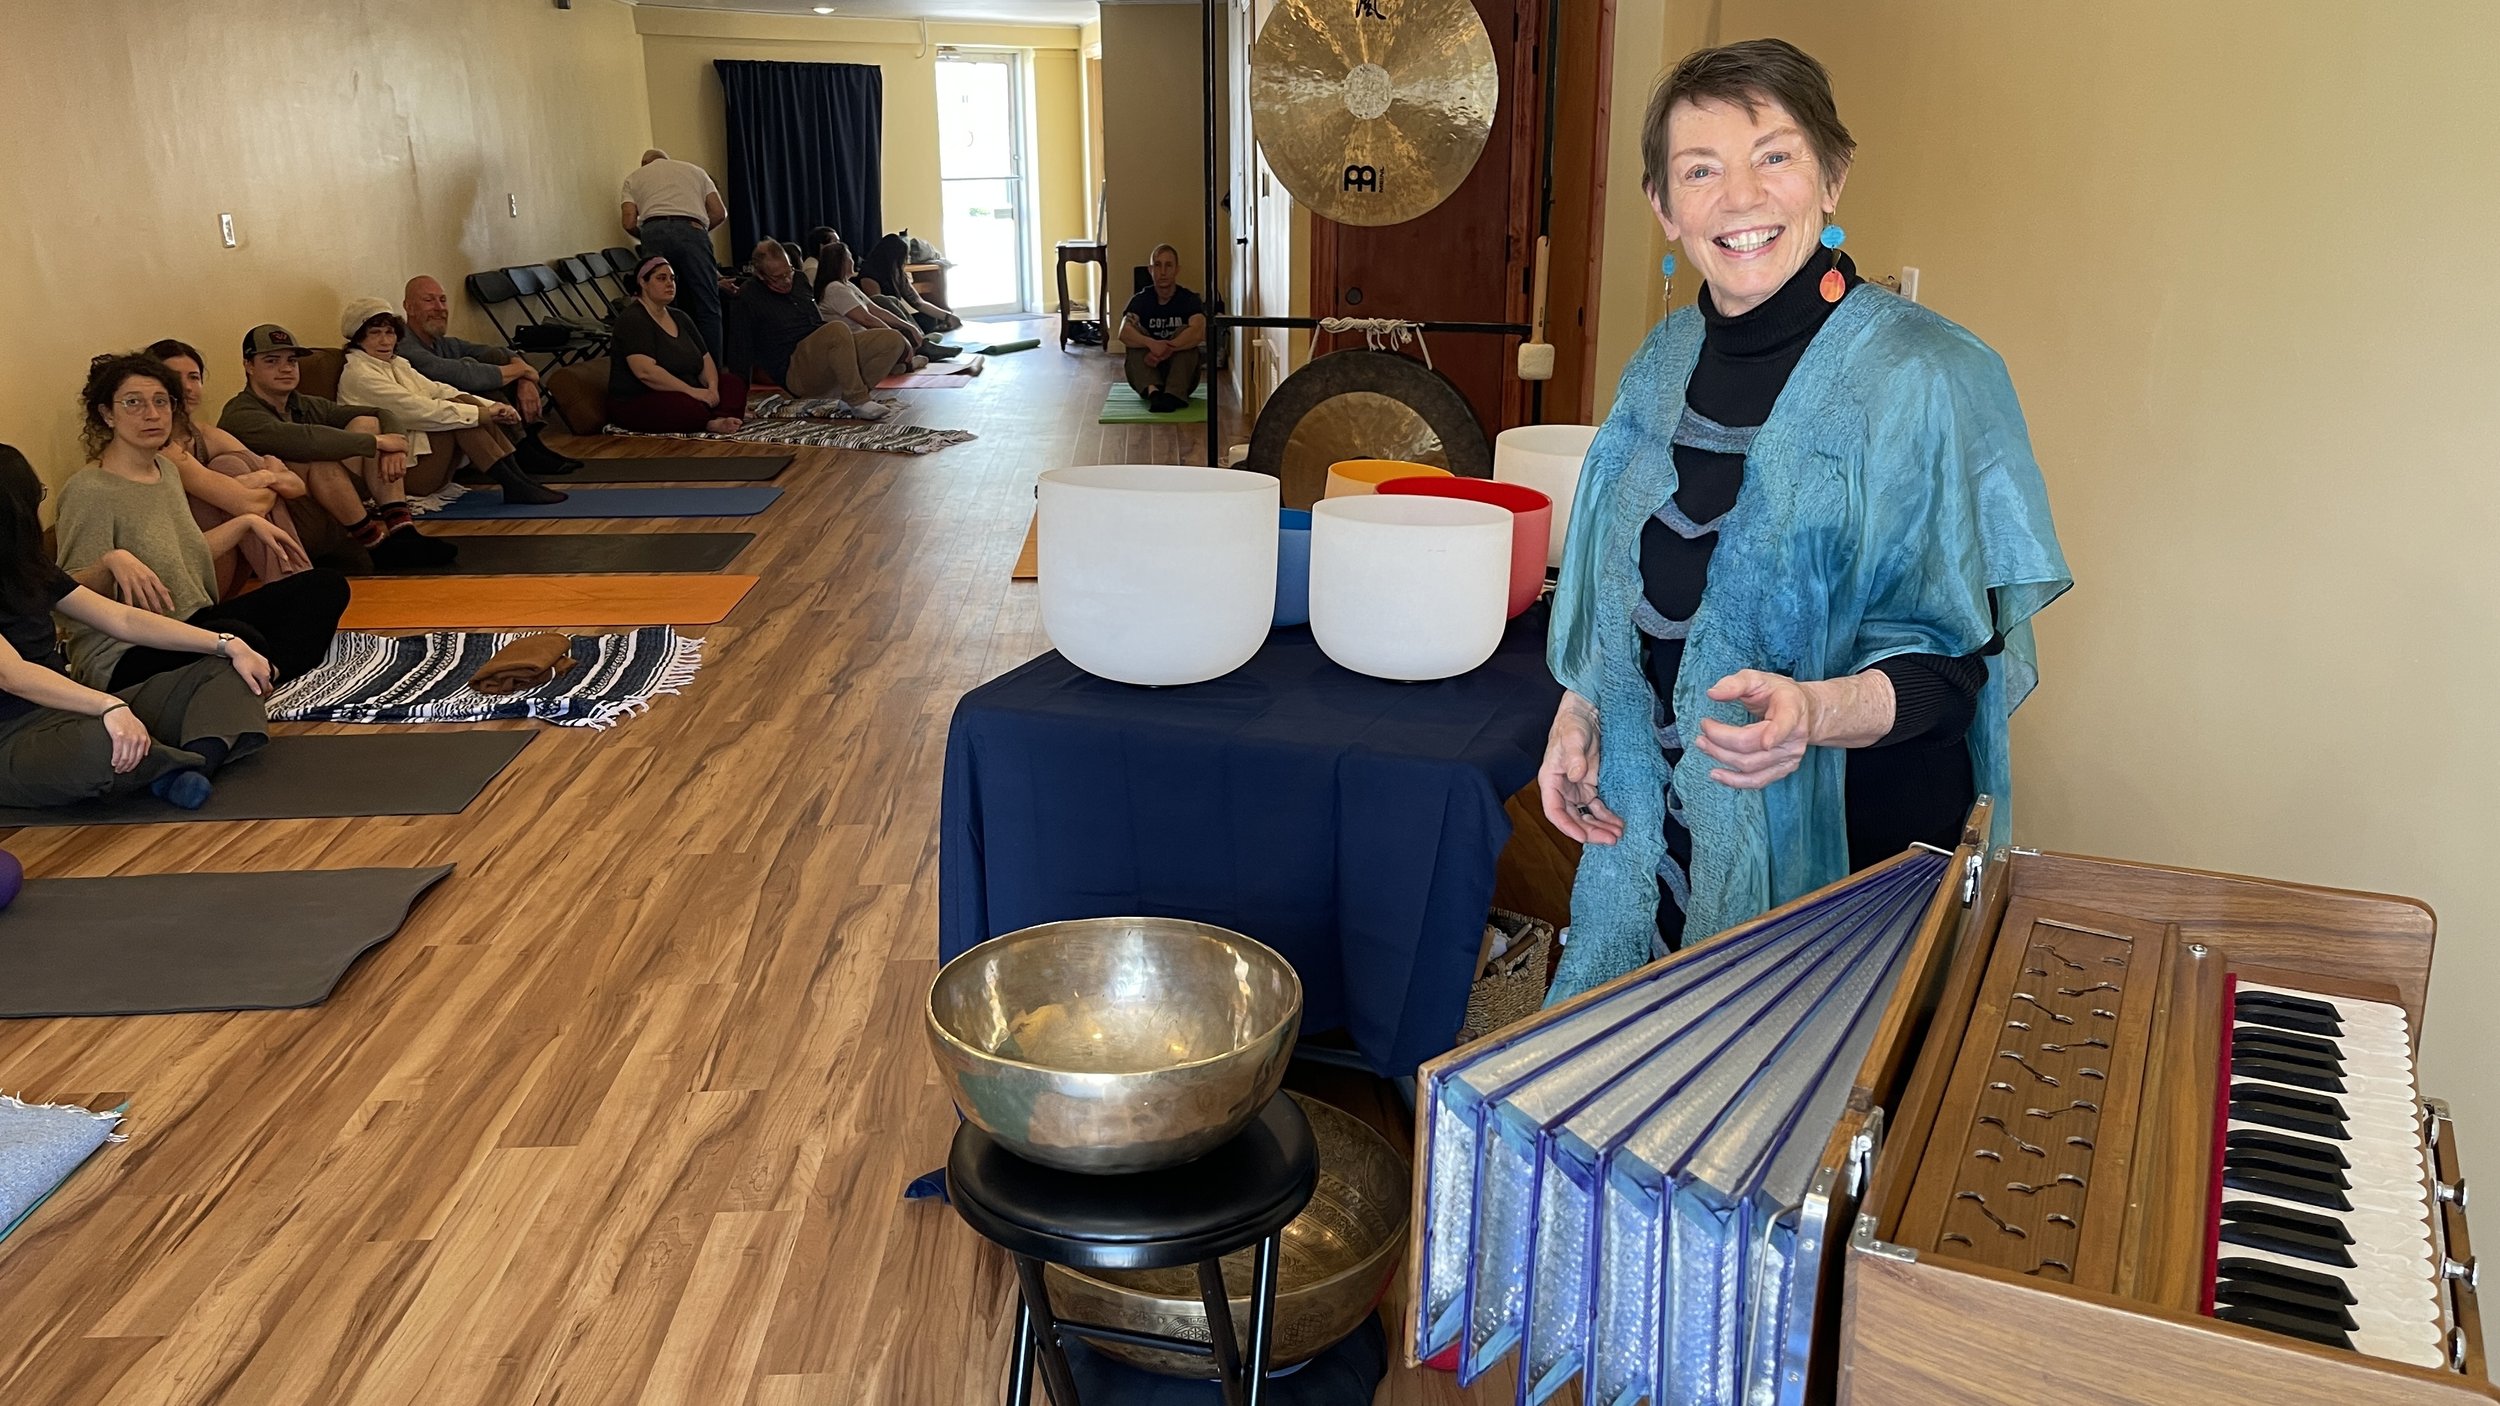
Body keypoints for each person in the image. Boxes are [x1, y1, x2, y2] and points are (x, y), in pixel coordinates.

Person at [1536, 39, 2069, 1002]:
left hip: (1854, 865)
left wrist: (1814, 713)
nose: (1740, 199)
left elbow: (1955, 675)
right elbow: (1625, 597)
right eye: (1702, 170)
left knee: (1804, 1129)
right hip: (1656, 836)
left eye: (1774, 156)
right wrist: (1581, 714)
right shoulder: (1660, 366)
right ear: (1664, 206)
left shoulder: (1928, 377)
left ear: (1831, 174)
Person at [55, 353, 349, 698]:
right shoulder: (89, 489)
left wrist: (246, 523)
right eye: (133, 403)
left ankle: (268, 673)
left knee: (325, 586)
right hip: (126, 652)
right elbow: (65, 593)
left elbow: (184, 554)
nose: (151, 414)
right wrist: (111, 561)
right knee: (239, 636)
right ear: (107, 414)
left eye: (161, 402)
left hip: (193, 623)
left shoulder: (165, 473)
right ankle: (254, 672)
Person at [0, 444, 271, 812]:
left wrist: (225, 644)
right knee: (100, 744)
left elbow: (120, 618)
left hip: (73, 711)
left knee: (228, 672)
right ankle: (171, 763)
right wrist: (107, 706)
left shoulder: (27, 567)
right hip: (12, 739)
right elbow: (13, 675)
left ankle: (183, 769)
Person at [217, 324, 456, 570]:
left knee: (368, 423)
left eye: (292, 360)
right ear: (249, 366)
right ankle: (376, 545)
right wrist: (378, 442)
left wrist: (395, 440)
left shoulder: (301, 403)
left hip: (324, 510)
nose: (286, 368)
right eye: (272, 361)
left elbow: (379, 411)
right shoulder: (241, 414)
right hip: (283, 520)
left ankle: (402, 530)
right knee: (319, 459)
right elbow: (305, 440)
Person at [335, 299, 565, 505]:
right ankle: (516, 484)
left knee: (460, 402)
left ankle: (518, 480)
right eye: (375, 333)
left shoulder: (396, 364)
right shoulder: (360, 374)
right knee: (458, 418)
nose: (385, 341)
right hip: (395, 476)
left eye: (390, 332)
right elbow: (417, 410)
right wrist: (483, 414)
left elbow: (438, 390)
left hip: (416, 459)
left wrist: (493, 408)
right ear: (358, 338)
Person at [143, 337, 329, 591]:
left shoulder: (202, 434)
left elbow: (296, 485)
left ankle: (294, 585)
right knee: (229, 472)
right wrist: (261, 481)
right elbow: (246, 503)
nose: (186, 387)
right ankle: (295, 586)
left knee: (232, 464)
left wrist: (265, 478)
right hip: (174, 566)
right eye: (174, 377)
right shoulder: (160, 447)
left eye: (194, 378)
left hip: (220, 556)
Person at [399, 276, 580, 476]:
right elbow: (456, 374)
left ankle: (530, 444)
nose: (439, 307)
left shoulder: (441, 342)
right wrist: (523, 371)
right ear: (409, 307)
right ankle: (523, 450)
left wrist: (524, 380)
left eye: (443, 300)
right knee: (480, 379)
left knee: (495, 358)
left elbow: (496, 352)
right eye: (429, 300)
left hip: (461, 409)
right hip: (435, 420)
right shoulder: (404, 345)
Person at [723, 239, 897, 418]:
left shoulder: (799, 279)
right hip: (793, 368)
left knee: (892, 340)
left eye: (788, 271)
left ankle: (848, 398)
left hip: (820, 354)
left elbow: (815, 321)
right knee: (836, 329)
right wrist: (738, 403)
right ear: (759, 274)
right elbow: (739, 350)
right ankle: (858, 400)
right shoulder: (747, 297)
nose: (786, 280)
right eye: (777, 277)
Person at [607, 255, 748, 435]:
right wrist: (692, 392)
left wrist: (712, 389)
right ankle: (708, 421)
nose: (669, 284)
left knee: (732, 383)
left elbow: (705, 358)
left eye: (672, 278)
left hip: (689, 389)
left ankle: (717, 418)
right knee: (686, 408)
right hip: (643, 397)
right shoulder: (633, 319)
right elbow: (645, 373)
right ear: (643, 282)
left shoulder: (680, 316)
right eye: (661, 278)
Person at [620, 147, 728, 360]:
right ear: (667, 160)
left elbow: (628, 221)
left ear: (645, 164)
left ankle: (673, 366)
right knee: (707, 304)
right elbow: (719, 212)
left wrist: (648, 235)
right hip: (692, 229)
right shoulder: (696, 171)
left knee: (659, 303)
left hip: (653, 230)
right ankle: (713, 372)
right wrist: (697, 232)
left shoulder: (634, 177)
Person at [816, 242, 934, 375]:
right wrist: (898, 338)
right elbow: (867, 319)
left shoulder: (847, 285)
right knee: (896, 337)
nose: (852, 261)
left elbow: (876, 310)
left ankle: (901, 363)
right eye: (849, 258)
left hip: (865, 336)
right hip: (852, 342)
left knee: (903, 329)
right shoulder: (835, 289)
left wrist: (909, 327)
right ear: (841, 262)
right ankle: (903, 364)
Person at [1118, 244, 1207, 413]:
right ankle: (1155, 394)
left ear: (1177, 269)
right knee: (1135, 335)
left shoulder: (1189, 299)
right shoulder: (1140, 299)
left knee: (1184, 332)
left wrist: (1169, 348)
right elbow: (1123, 332)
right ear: (1150, 270)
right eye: (1158, 265)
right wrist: (1151, 343)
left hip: (1183, 377)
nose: (1163, 271)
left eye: (1168, 265)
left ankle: (1173, 395)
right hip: (1148, 371)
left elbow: (1198, 331)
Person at [858, 233, 962, 334]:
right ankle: (918, 336)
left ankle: (919, 333)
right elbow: (878, 307)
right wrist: (906, 324)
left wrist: (947, 316)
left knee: (930, 319)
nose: (905, 262)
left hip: (899, 316)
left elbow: (918, 303)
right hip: (887, 319)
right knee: (892, 308)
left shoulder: (897, 274)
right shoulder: (869, 276)